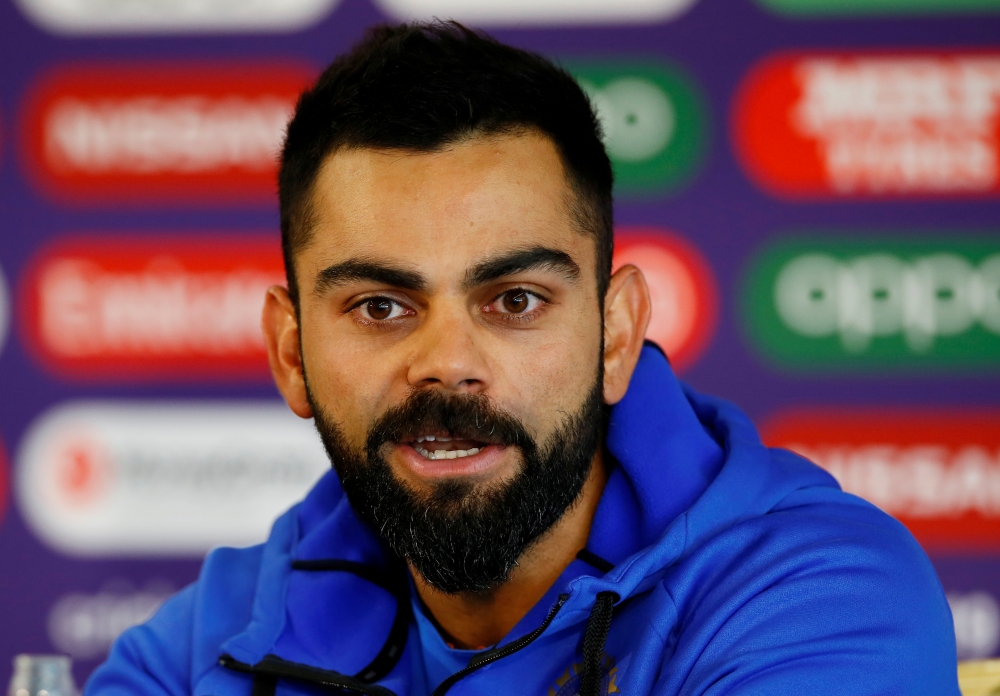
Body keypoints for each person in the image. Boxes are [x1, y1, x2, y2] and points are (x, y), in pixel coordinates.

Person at [86, 21, 959, 696]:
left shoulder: (815, 597)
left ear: (616, 334)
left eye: (514, 301)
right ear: (290, 354)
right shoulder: (223, 632)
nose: (448, 364)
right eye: (381, 307)